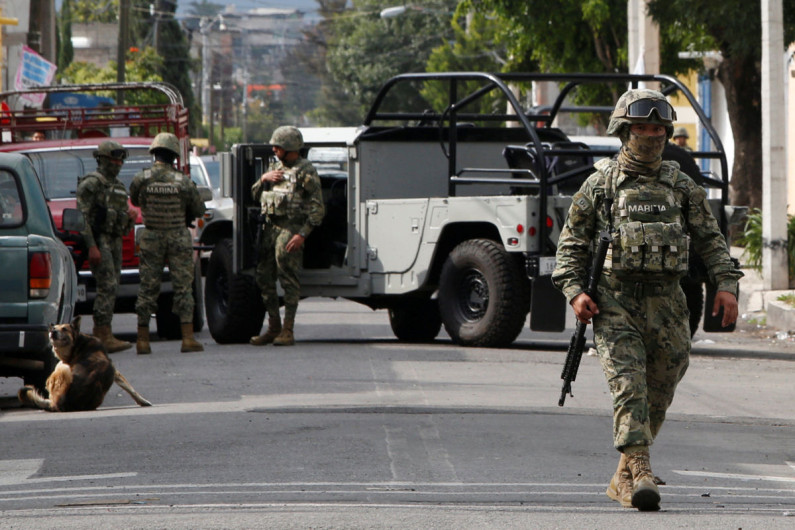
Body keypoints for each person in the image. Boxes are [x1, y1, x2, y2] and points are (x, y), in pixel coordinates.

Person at [552, 89, 742, 512]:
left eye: (658, 128)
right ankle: (639, 470)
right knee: (629, 386)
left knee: (663, 383)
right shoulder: (600, 184)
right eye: (642, 127)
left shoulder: (680, 186)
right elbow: (570, 247)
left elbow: (712, 242)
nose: (651, 135)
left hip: (669, 304)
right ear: (624, 130)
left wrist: (726, 284)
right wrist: (575, 291)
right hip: (615, 302)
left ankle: (623, 472)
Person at [129, 132, 206, 354]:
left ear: (154, 154)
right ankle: (188, 338)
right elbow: (198, 209)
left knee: (147, 287)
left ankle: (142, 340)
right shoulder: (183, 181)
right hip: (177, 237)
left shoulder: (141, 178)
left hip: (151, 236)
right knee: (183, 287)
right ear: (174, 156)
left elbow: (135, 200)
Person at [249, 126, 325, 347]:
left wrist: (302, 234)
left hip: (290, 230)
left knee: (288, 278)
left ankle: (288, 330)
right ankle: (273, 327)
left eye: (278, 146)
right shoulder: (274, 169)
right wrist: (264, 178)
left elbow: (317, 209)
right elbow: (254, 195)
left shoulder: (305, 171)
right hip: (270, 229)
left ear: (289, 148)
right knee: (264, 276)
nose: (274, 149)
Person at [75, 141, 137, 353]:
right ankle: (101, 333)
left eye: (121, 159)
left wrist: (130, 217)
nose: (118, 163)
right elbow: (81, 218)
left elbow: (123, 223)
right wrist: (92, 246)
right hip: (100, 240)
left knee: (113, 285)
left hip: (115, 241)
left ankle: (105, 332)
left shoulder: (118, 187)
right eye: (114, 158)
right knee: (107, 285)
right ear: (102, 159)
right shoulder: (91, 184)